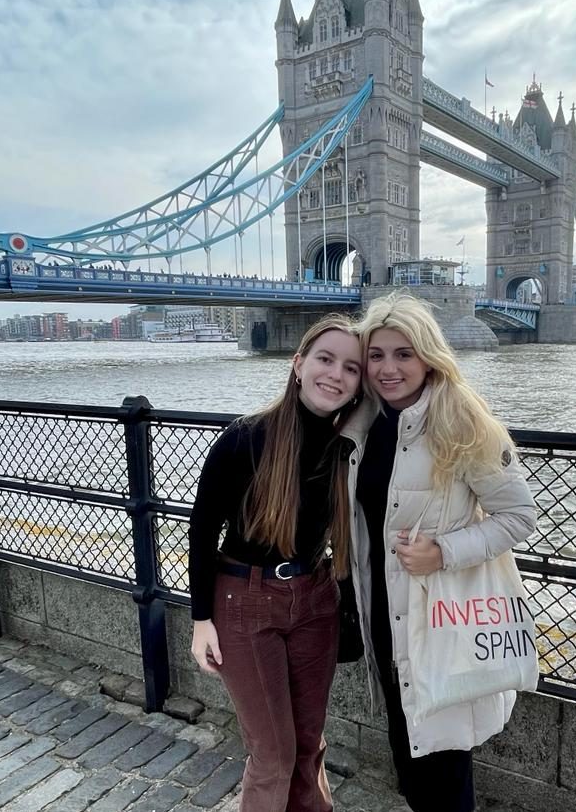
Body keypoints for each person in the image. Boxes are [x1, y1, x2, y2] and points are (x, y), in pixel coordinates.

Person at [340, 292, 536, 812]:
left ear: (429, 354)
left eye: (403, 354)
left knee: (444, 763)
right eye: (376, 355)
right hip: (382, 608)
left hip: (440, 616)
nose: (388, 369)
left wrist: (443, 552)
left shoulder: (460, 421)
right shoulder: (360, 419)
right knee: (408, 756)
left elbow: (519, 518)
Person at [188, 315, 363, 812]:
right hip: (244, 601)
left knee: (309, 744)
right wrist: (200, 620)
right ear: (298, 364)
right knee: (273, 753)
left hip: (316, 599)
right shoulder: (245, 438)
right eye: (325, 359)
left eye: (350, 367)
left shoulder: (348, 446)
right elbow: (202, 531)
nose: (336, 374)